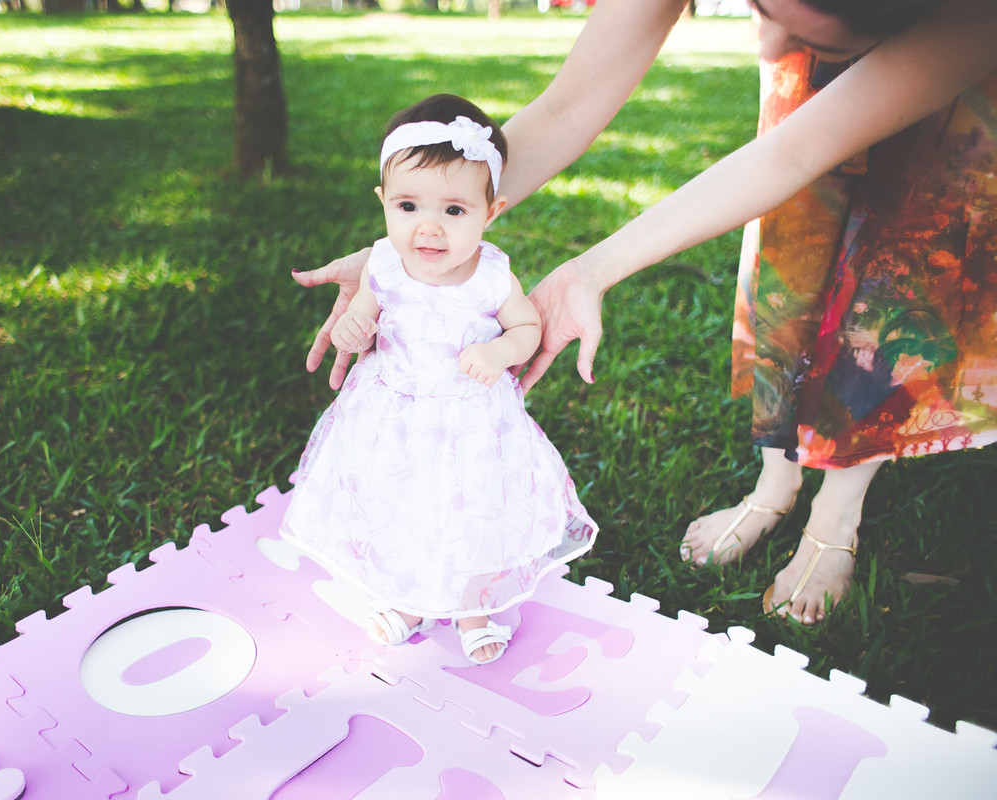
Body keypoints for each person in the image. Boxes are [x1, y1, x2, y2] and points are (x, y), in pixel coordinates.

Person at [294, 0, 997, 625]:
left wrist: (596, 268)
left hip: (951, 105)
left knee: (896, 286)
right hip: (806, 97)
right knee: (796, 259)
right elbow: (569, 107)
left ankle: (837, 509)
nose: (768, 21)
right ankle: (776, 481)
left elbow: (799, 150)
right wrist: (411, 248)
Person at [280, 94, 598, 665]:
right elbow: (368, 312)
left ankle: (474, 606)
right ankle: (409, 599)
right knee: (401, 504)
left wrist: (501, 349)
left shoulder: (492, 278)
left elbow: (528, 325)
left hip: (470, 422)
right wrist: (355, 326)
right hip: (393, 417)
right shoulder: (382, 263)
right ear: (383, 202)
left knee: (473, 512)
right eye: (408, 206)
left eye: (454, 211)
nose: (428, 228)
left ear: (490, 211)